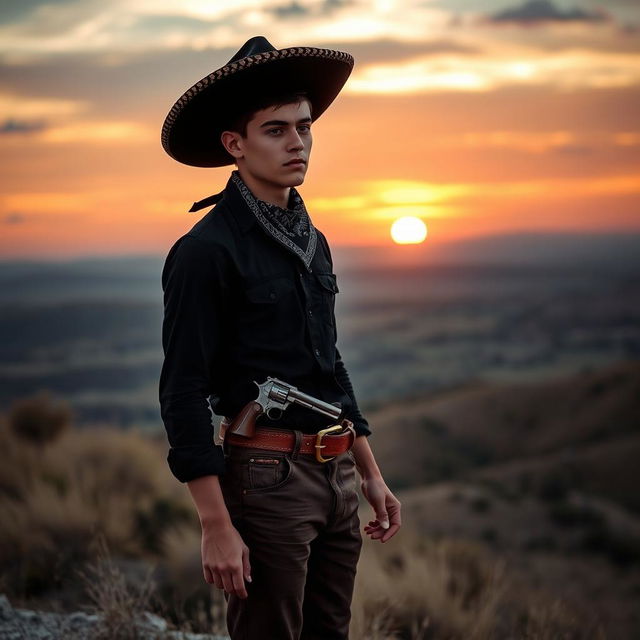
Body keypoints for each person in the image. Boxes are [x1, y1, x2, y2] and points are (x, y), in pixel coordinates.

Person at [159, 36, 401, 640]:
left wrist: (369, 473)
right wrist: (215, 522)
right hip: (265, 478)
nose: (297, 143)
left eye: (304, 127)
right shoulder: (204, 252)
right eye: (276, 130)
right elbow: (183, 390)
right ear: (234, 145)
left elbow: (327, 365)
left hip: (337, 474)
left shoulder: (312, 242)